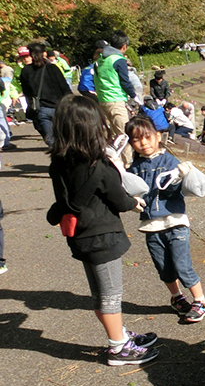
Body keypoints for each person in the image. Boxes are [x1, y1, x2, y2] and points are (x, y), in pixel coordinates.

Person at [44, 96, 157, 365]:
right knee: (111, 296)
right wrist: (135, 203)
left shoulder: (58, 162)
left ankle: (119, 335)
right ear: (95, 128)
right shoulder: (99, 165)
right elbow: (119, 199)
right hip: (102, 237)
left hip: (79, 236)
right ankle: (119, 347)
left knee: (99, 294)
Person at [125, 116, 205, 323]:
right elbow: (129, 189)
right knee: (163, 267)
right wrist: (132, 201)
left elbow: (174, 190)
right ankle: (177, 297)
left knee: (182, 265)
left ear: (157, 136)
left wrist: (179, 176)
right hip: (150, 225)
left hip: (175, 222)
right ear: (131, 144)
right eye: (136, 140)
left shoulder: (169, 161)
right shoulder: (134, 167)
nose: (143, 143)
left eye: (147, 137)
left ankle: (201, 301)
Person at [95, 31, 136, 165]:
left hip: (102, 100)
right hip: (116, 100)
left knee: (112, 136)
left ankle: (114, 164)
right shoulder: (118, 59)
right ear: (124, 46)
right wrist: (134, 95)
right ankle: (128, 165)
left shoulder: (101, 58)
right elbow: (124, 81)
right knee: (124, 136)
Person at [18, 42, 71, 146]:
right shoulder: (53, 68)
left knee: (51, 139)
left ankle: (57, 156)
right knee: (65, 136)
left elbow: (27, 91)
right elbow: (64, 87)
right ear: (44, 53)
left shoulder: (26, 71)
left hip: (40, 108)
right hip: (59, 107)